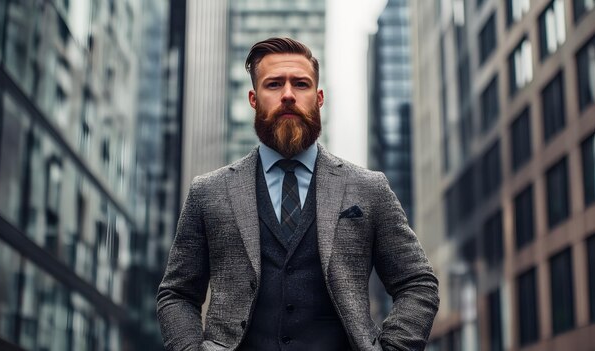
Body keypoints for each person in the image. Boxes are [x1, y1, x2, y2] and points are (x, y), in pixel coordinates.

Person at [157, 37, 439, 351]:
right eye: (274, 84)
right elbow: (177, 294)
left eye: (301, 84)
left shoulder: (369, 188)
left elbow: (417, 283)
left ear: (319, 98)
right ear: (253, 98)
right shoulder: (208, 192)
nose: (288, 95)